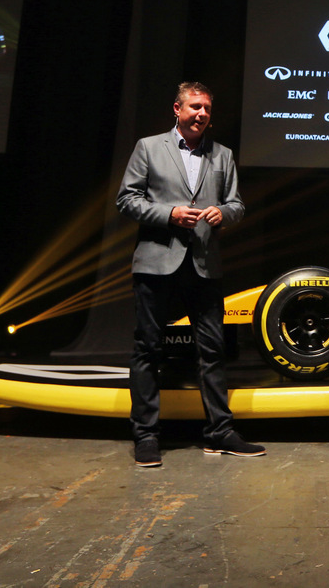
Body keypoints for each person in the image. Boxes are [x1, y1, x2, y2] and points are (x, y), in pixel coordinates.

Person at [115, 81, 262, 468]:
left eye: (207, 109)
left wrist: (223, 214)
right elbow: (127, 199)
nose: (201, 114)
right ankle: (146, 436)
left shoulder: (223, 155)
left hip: (204, 262)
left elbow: (236, 205)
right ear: (176, 110)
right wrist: (169, 214)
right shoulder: (149, 147)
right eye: (195, 107)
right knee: (148, 349)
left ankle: (220, 432)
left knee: (212, 350)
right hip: (157, 260)